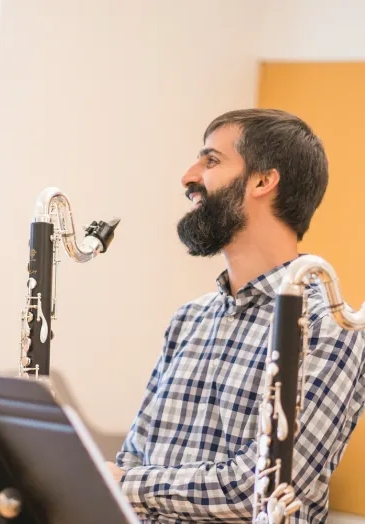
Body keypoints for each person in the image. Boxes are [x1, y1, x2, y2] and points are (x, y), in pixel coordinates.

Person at [109, 108, 365, 523]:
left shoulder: (329, 328)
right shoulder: (189, 318)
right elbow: (135, 454)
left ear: (263, 181)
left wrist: (125, 484)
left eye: (211, 160)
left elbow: (263, 488)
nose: (189, 176)